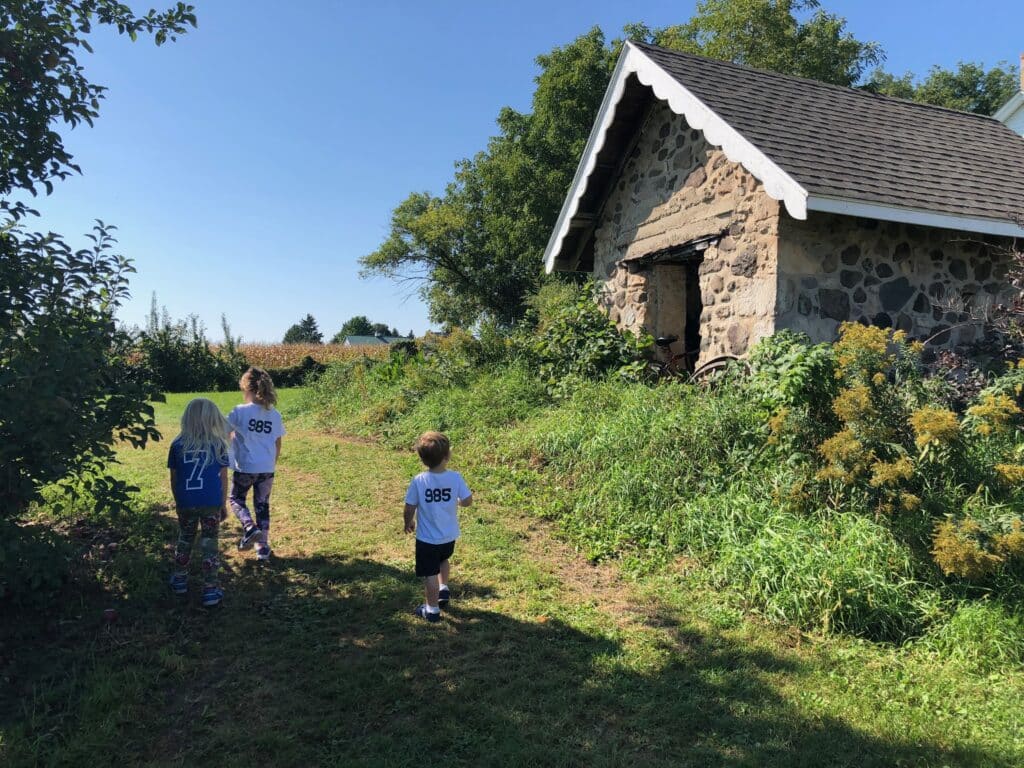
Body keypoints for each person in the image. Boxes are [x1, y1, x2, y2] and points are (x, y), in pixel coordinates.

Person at [167, 398, 231, 607]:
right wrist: (222, 504)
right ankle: (210, 590)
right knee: (210, 544)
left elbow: (175, 479)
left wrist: (179, 501)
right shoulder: (218, 444)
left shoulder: (177, 445)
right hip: (210, 501)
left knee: (185, 538)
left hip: (187, 501)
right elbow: (223, 478)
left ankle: (179, 580)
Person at [403, 431, 472, 622]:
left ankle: (431, 610)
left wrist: (408, 522)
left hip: (427, 539)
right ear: (447, 455)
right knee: (443, 560)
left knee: (430, 573)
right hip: (449, 536)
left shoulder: (419, 480)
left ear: (422, 458)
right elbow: (467, 500)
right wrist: (458, 501)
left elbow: (410, 506)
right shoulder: (455, 478)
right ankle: (444, 589)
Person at [227, 367, 286, 562]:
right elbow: (278, 442)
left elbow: (223, 431)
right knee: (262, 505)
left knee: (236, 499)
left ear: (246, 388)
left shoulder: (239, 411)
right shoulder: (274, 414)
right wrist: (272, 463)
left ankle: (249, 527)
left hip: (245, 467)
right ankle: (262, 548)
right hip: (267, 468)